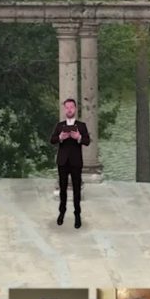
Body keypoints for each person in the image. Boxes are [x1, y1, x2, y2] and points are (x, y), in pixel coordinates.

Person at [50, 98, 91, 229]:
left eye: (71, 107)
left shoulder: (81, 125)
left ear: (75, 109)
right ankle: (61, 212)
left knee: (77, 189)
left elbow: (87, 141)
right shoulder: (59, 125)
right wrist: (60, 138)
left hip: (76, 162)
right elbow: (52, 140)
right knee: (62, 189)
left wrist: (78, 137)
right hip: (62, 161)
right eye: (67, 107)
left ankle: (77, 214)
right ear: (64, 109)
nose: (69, 110)